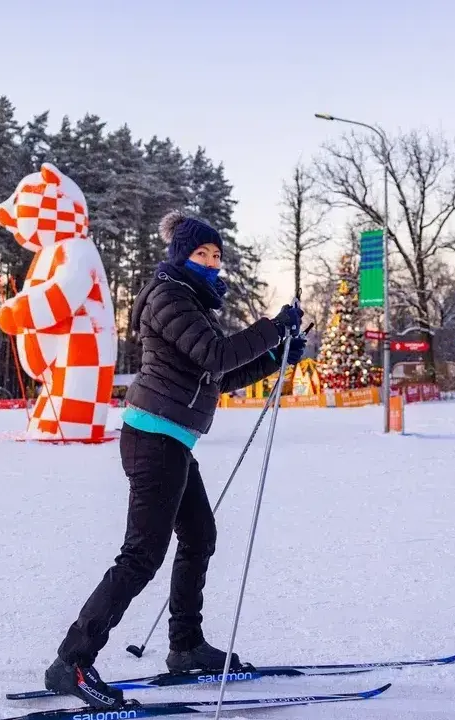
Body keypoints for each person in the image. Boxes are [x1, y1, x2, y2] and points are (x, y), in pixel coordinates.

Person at [43, 210, 305, 709]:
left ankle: (185, 647)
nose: (211, 261)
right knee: (141, 555)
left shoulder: (192, 302)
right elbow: (215, 356)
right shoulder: (168, 297)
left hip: (173, 441)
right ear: (180, 255)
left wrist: (275, 359)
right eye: (201, 253)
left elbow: (218, 377)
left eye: (216, 255)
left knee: (200, 536)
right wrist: (272, 329)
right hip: (152, 440)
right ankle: (72, 662)